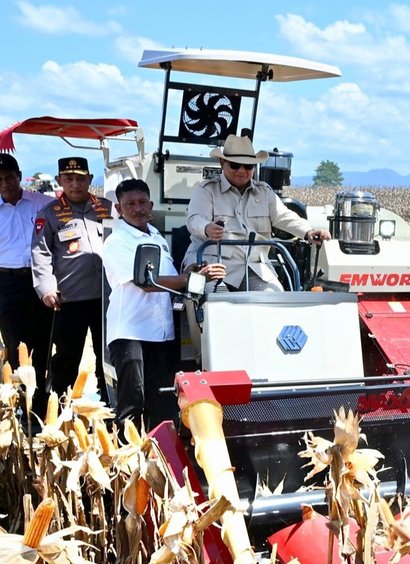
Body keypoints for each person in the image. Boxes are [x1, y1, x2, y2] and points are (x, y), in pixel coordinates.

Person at [102, 179, 226, 426]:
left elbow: (169, 278)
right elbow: (147, 283)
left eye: (142, 203)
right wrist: (188, 278)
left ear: (151, 204)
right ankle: (128, 458)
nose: (137, 209)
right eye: (130, 204)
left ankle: (157, 459)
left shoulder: (156, 236)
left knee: (162, 403)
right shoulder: (117, 242)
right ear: (118, 209)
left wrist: (191, 270)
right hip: (131, 333)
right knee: (133, 404)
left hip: (161, 334)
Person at [184, 135, 330, 291]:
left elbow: (284, 217)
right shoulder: (206, 190)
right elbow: (195, 219)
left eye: (248, 167)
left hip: (254, 268)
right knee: (214, 300)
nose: (242, 171)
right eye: (235, 165)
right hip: (212, 266)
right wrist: (207, 228)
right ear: (222, 163)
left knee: (274, 296)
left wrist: (308, 231)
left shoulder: (265, 192)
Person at [0, 153, 54, 406]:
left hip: (39, 281)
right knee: (14, 341)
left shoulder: (42, 204)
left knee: (42, 341)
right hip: (6, 285)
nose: (5, 183)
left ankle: (40, 400)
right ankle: (19, 400)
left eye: (9, 177)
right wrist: (2, 264)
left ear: (18, 176)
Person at [32, 157, 110, 399]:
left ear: (90, 179)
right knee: (67, 357)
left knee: (107, 355)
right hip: (70, 299)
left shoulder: (106, 208)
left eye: (80, 179)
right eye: (69, 179)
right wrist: (46, 289)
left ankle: (108, 401)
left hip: (106, 298)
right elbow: (40, 254)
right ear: (59, 181)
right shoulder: (50, 214)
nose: (75, 184)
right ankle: (59, 406)